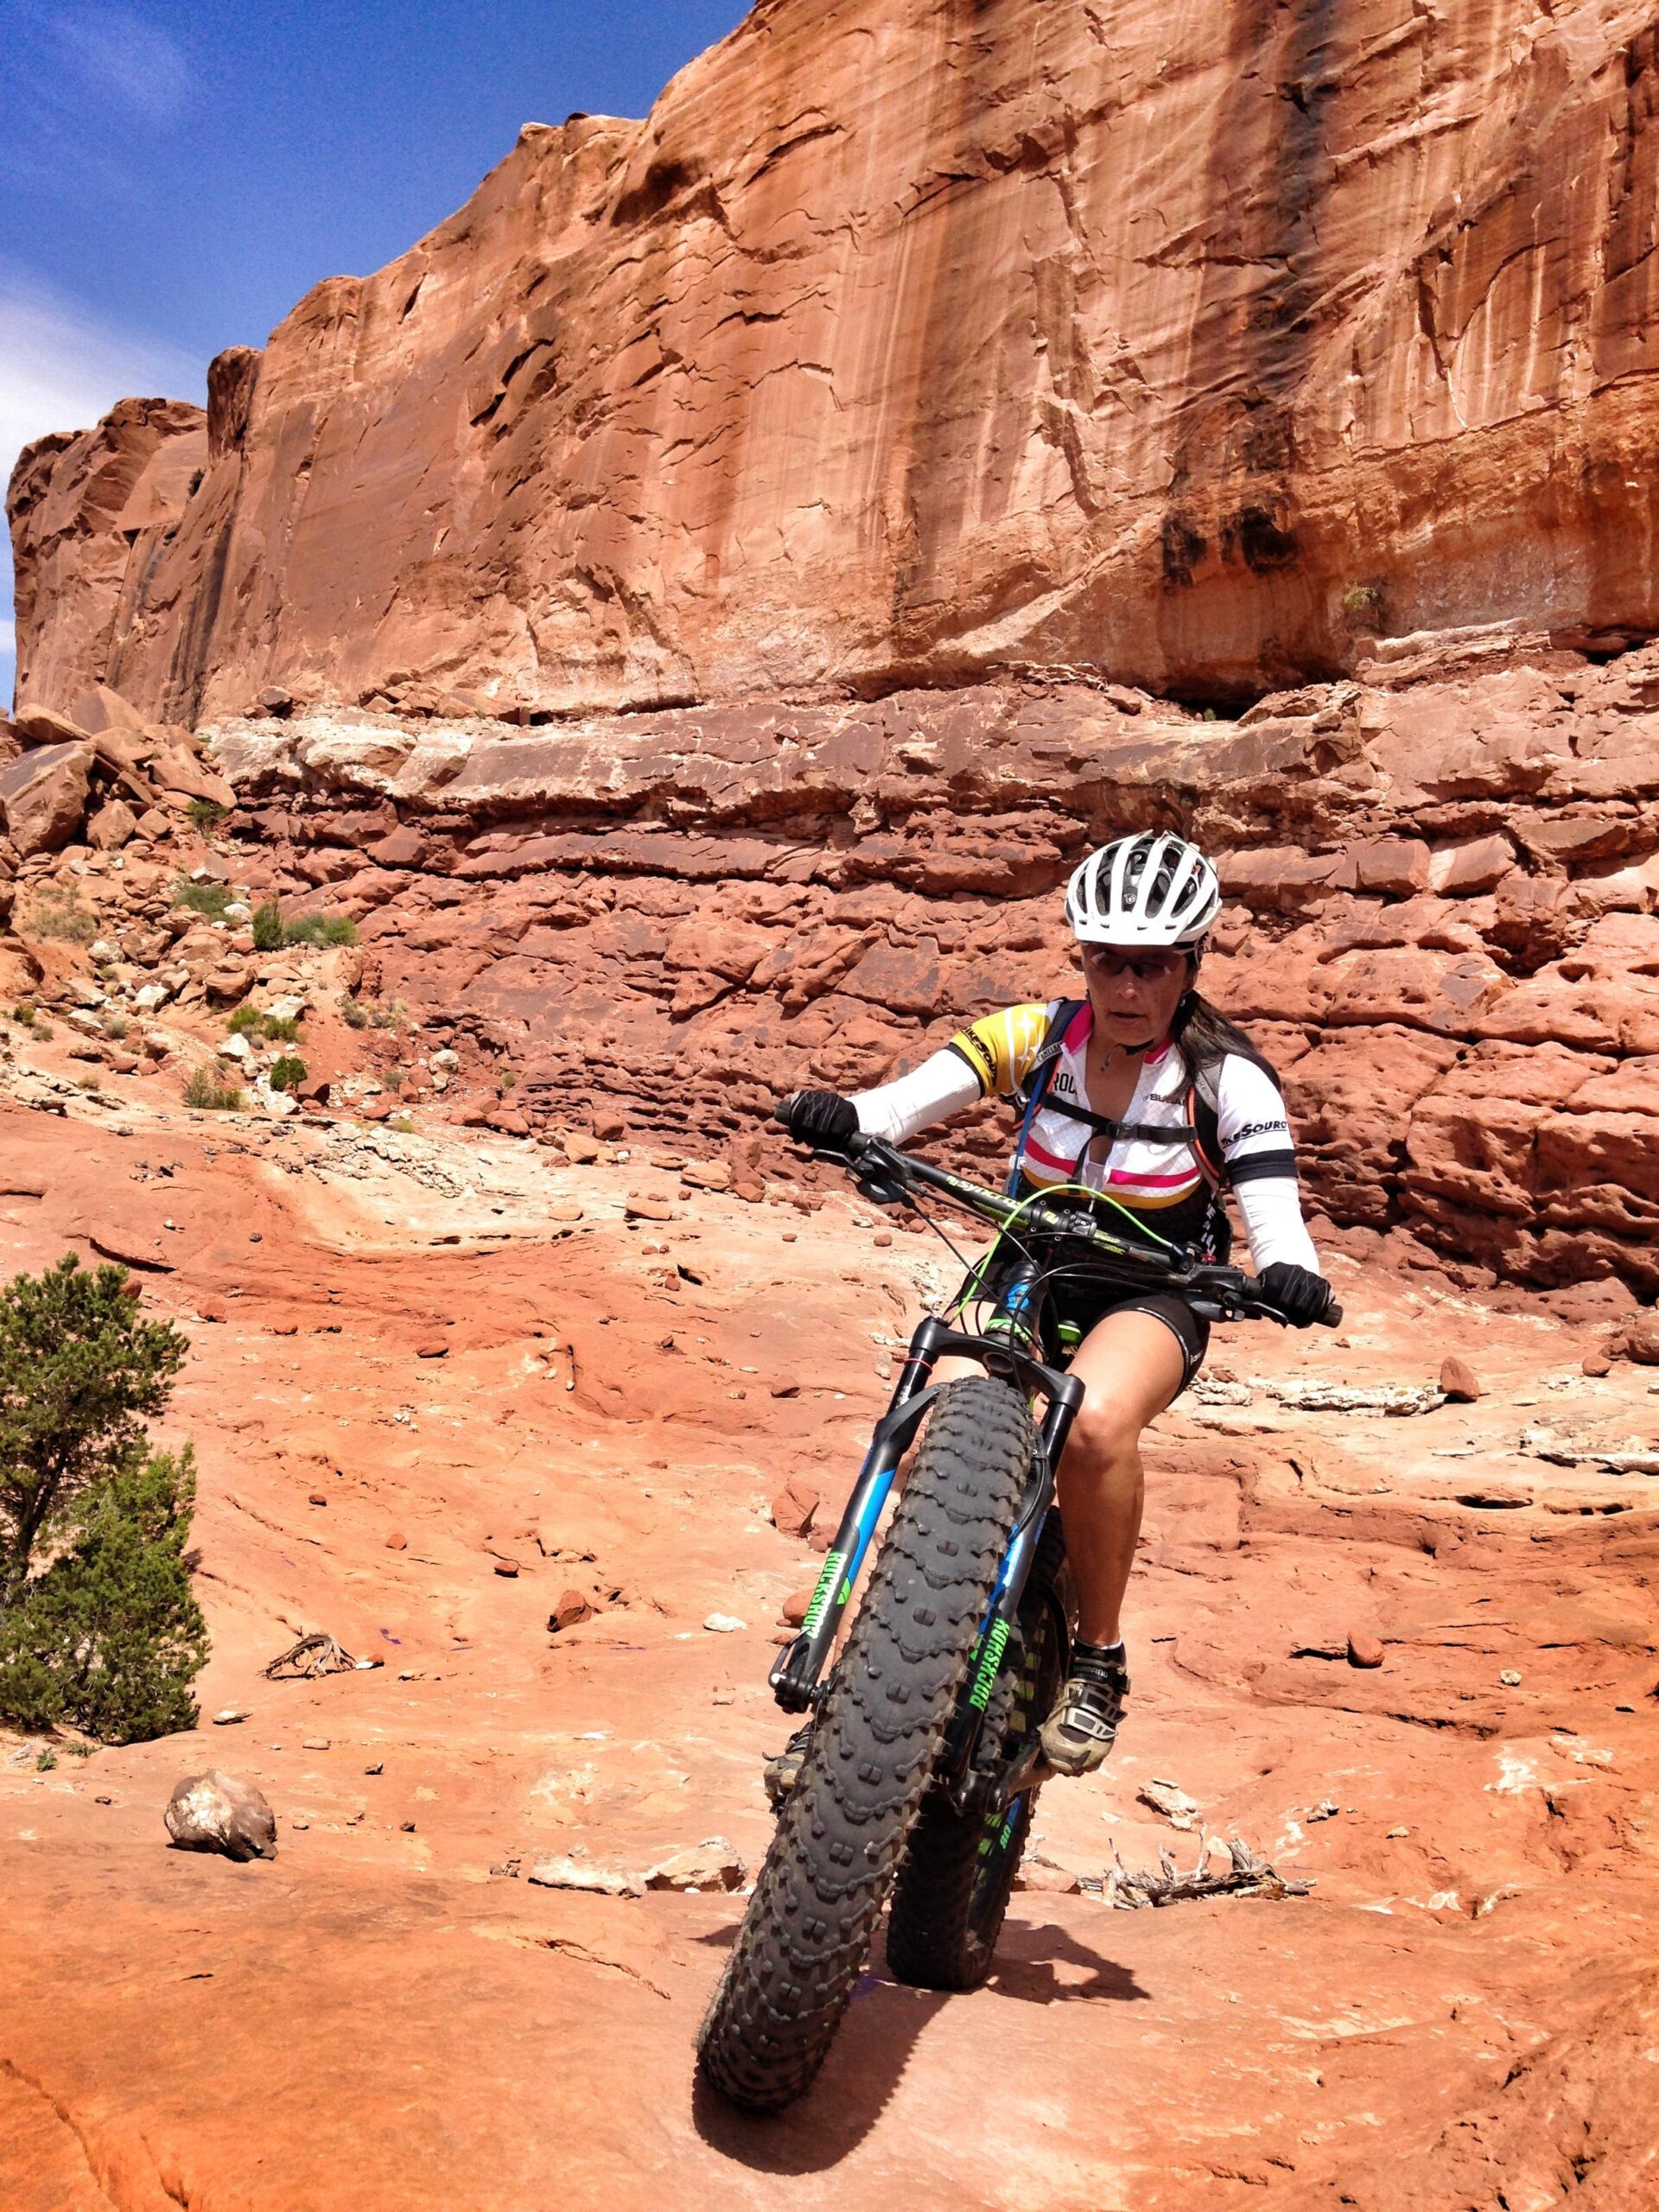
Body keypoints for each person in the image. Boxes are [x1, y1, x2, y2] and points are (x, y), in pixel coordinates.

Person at [771, 830, 1332, 1795]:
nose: (1125, 986)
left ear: (1190, 963)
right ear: (1082, 957)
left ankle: (1099, 1659)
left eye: (1151, 964)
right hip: (1024, 1258)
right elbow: (901, 1106)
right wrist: (849, 1120)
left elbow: (1277, 1217)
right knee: (927, 1426)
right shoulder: (1037, 1036)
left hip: (1155, 1288)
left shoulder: (1226, 1079)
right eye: (1106, 959)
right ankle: (873, 1685)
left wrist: (1288, 1274)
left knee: (1098, 1424)